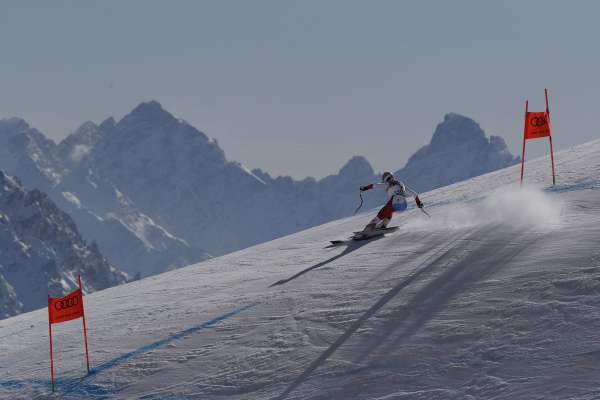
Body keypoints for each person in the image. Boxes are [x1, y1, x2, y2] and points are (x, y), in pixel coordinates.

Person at [359, 171, 423, 234]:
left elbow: (374, 185)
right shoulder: (401, 184)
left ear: (385, 179)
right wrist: (419, 203)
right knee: (389, 210)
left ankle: (369, 228)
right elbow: (414, 194)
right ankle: (383, 224)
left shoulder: (388, 184)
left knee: (382, 212)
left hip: (395, 201)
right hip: (403, 205)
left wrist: (365, 188)